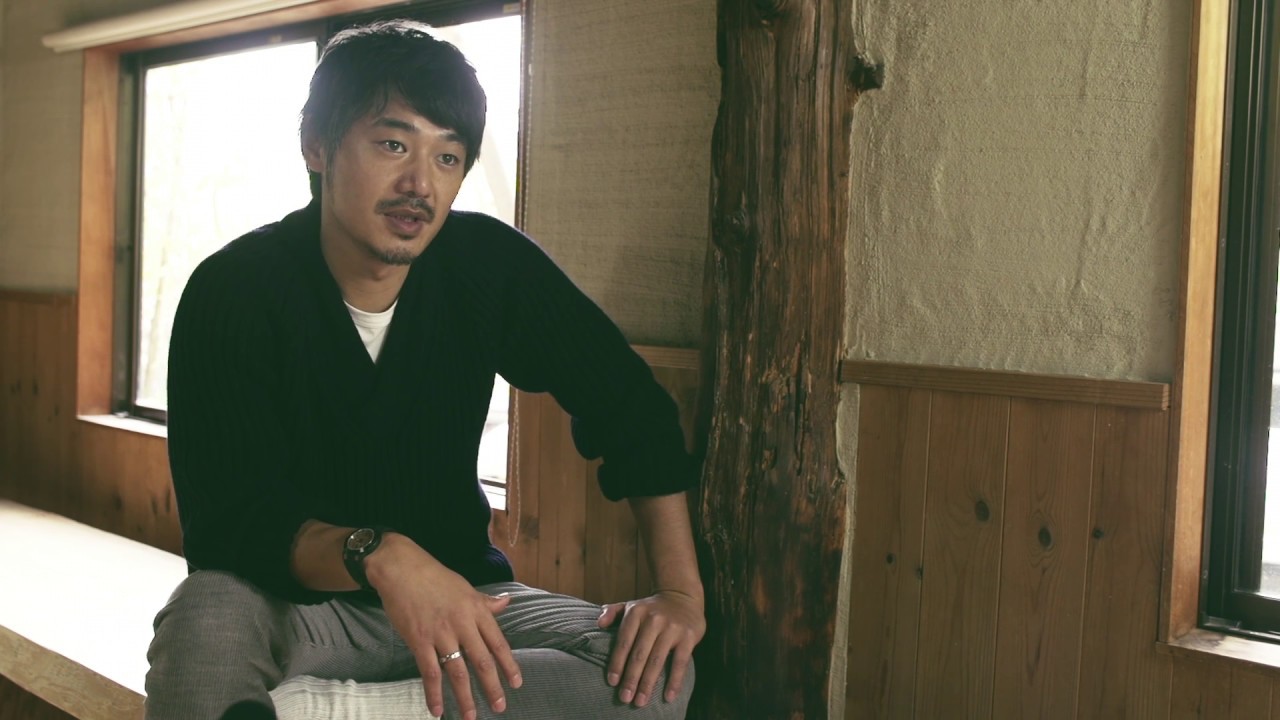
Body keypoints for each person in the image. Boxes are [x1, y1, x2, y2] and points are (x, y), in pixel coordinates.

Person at [144, 19, 705, 720]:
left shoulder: (486, 265)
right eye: (392, 144)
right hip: (300, 613)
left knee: (654, 675)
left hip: (466, 601)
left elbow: (631, 408)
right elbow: (231, 526)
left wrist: (680, 596)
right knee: (202, 621)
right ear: (316, 145)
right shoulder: (235, 290)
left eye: (447, 157)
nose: (420, 184)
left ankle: (322, 712)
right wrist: (378, 553)